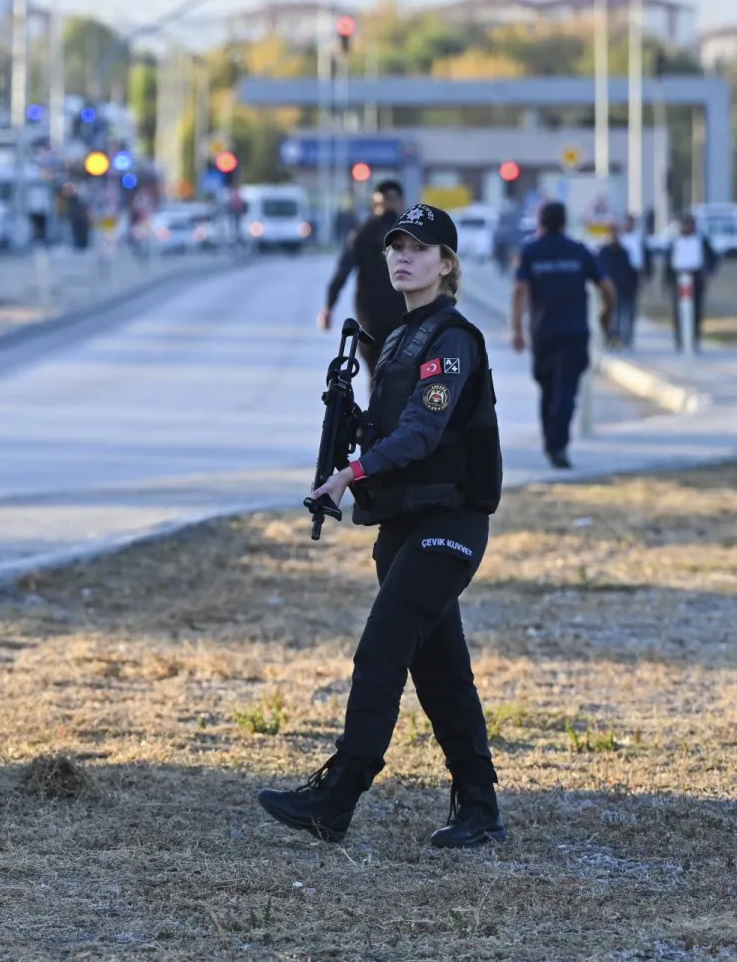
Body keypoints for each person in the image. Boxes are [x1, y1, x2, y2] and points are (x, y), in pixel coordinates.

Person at [259, 203, 506, 849]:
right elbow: (392, 430)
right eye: (396, 246)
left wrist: (350, 474)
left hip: (446, 523)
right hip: (401, 525)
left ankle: (339, 794)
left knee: (381, 651)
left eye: (420, 249)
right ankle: (479, 808)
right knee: (441, 673)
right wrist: (349, 422)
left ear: (446, 265)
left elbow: (423, 434)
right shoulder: (398, 339)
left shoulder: (452, 339)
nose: (403, 257)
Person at [510, 201, 617, 469]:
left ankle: (552, 443)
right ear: (564, 223)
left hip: (543, 333)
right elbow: (608, 288)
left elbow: (519, 291)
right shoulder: (579, 252)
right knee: (565, 392)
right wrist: (606, 315)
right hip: (574, 332)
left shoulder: (531, 252)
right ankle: (557, 444)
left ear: (541, 223)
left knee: (549, 390)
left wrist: (516, 330)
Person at [321, 179, 409, 375]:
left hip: (371, 316)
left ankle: (379, 402)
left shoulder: (362, 233)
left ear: (375, 204)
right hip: (406, 315)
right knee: (406, 373)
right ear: (402, 203)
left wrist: (328, 307)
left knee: (376, 372)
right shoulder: (413, 235)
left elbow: (342, 272)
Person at [661, 213, 717, 352]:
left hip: (696, 278)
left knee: (696, 311)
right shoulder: (675, 242)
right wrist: (667, 283)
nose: (686, 228)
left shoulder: (702, 240)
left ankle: (694, 339)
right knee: (678, 312)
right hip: (678, 278)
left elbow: (713, 259)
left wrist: (708, 273)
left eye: (689, 224)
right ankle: (680, 339)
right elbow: (667, 264)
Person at [596, 215, 652, 349]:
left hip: (625, 289)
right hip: (608, 290)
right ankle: (610, 339)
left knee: (625, 315)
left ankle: (624, 340)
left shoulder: (625, 252)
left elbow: (632, 270)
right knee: (610, 317)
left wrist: (636, 284)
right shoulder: (603, 252)